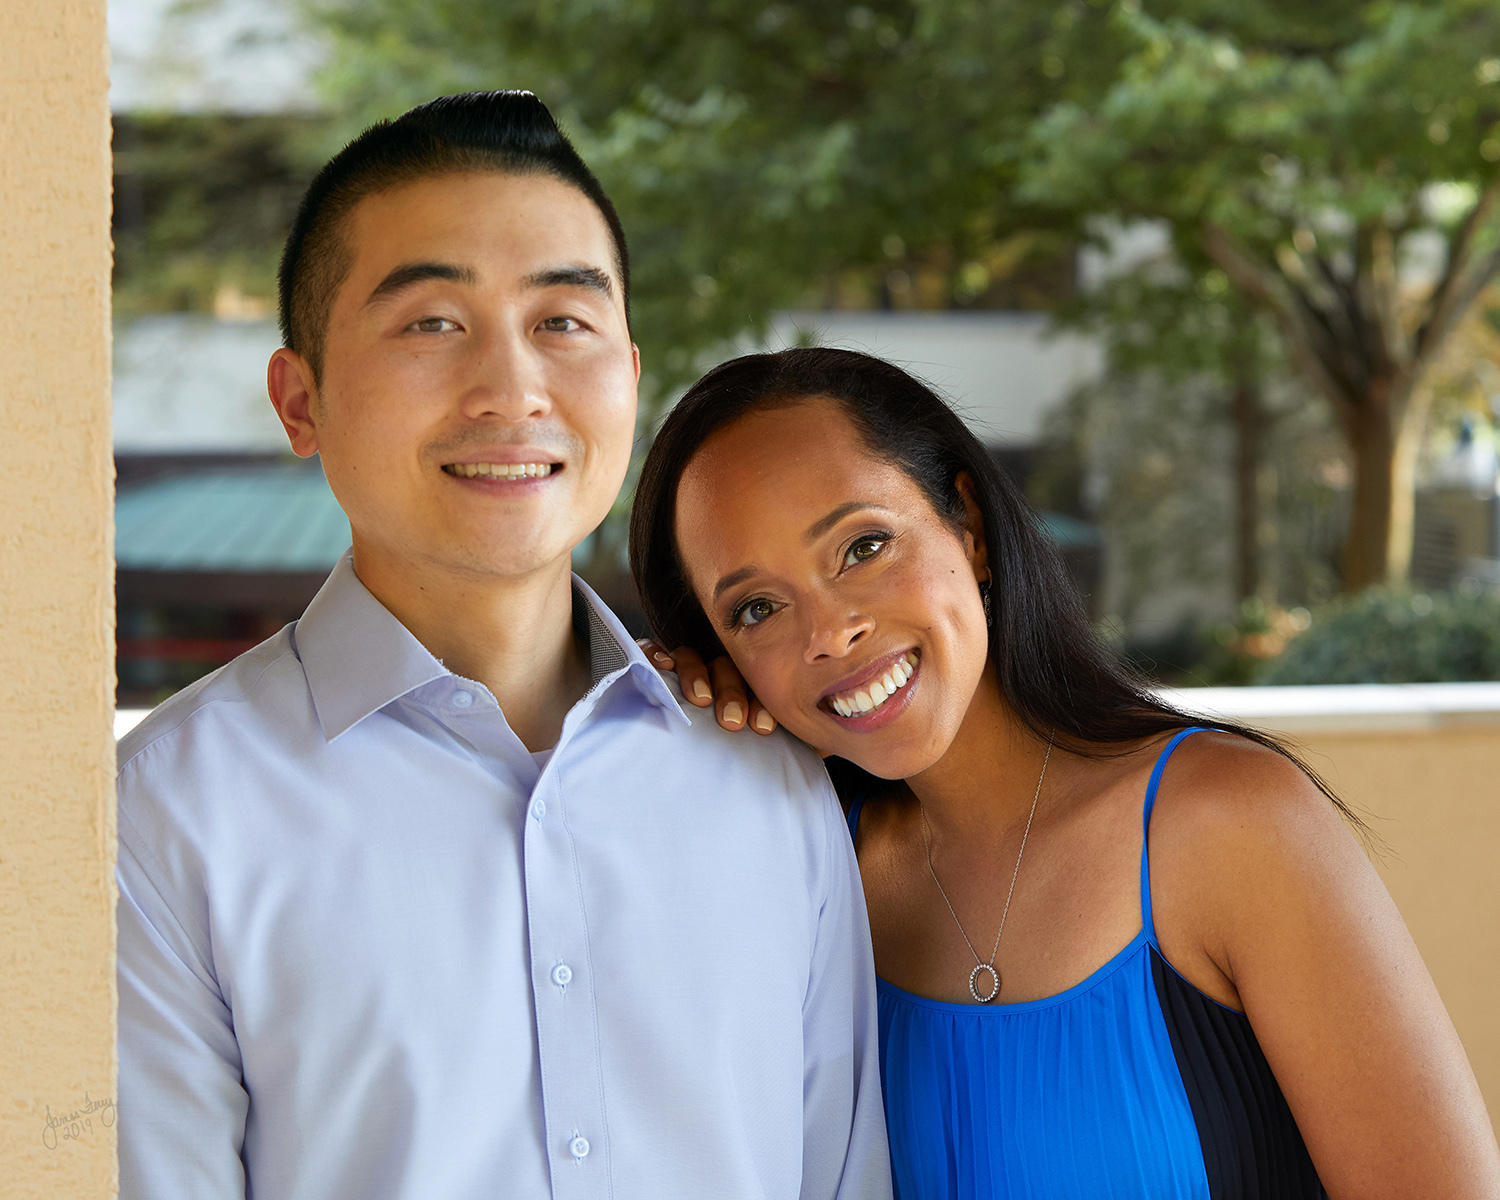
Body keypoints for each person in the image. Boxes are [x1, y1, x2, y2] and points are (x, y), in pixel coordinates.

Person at [115, 94, 891, 1200]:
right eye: (431, 322)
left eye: (562, 323)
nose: (512, 390)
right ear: (300, 401)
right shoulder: (166, 814)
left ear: (628, 372)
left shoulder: (765, 773)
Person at [630, 346, 1500, 1200]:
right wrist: (672, 728)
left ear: (967, 526)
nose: (827, 632)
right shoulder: (807, 874)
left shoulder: (1227, 823)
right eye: (757, 609)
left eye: (862, 548)